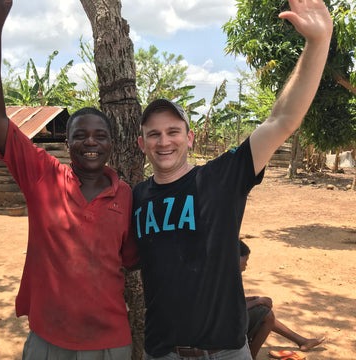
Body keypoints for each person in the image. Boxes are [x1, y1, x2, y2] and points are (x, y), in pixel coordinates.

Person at [131, 0, 333, 358]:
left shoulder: (222, 177)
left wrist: (317, 43)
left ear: (189, 137)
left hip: (223, 352)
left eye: (173, 131)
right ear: (141, 143)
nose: (164, 141)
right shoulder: (137, 197)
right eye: (154, 134)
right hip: (160, 352)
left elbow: (281, 119)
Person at [0, 0, 139, 359]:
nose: (91, 142)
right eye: (81, 135)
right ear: (67, 144)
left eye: (100, 135)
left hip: (110, 343)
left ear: (112, 144)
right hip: (48, 341)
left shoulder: (127, 196)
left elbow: (131, 259)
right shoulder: (43, 176)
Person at [240, 240, 325, 359]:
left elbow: (231, 302)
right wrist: (258, 301)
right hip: (223, 324)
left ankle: (302, 341)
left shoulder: (225, 274)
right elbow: (229, 309)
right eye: (245, 260)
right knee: (266, 314)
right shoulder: (225, 277)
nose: (246, 265)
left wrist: (251, 299)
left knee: (263, 311)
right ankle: (250, 357)